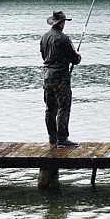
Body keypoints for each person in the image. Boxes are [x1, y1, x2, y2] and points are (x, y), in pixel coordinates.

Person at [40, 10, 82, 146]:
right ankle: (62, 138)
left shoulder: (44, 37)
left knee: (50, 108)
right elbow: (74, 59)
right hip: (60, 78)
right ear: (62, 23)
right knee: (64, 106)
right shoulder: (63, 39)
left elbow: (43, 56)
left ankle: (52, 137)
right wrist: (78, 55)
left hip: (47, 76)